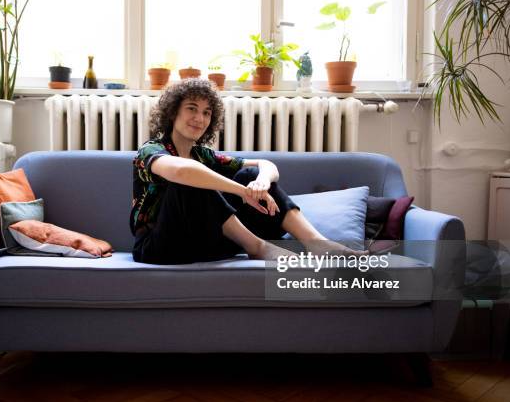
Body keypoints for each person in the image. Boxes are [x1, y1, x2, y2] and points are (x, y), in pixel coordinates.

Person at [131, 78, 365, 265]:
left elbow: (266, 165)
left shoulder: (204, 155)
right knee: (194, 179)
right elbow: (182, 172)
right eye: (192, 109)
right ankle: (257, 247)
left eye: (206, 112)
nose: (199, 118)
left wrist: (259, 183)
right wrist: (241, 191)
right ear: (173, 113)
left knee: (250, 176)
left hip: (205, 244)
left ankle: (316, 243)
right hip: (162, 246)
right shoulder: (151, 150)